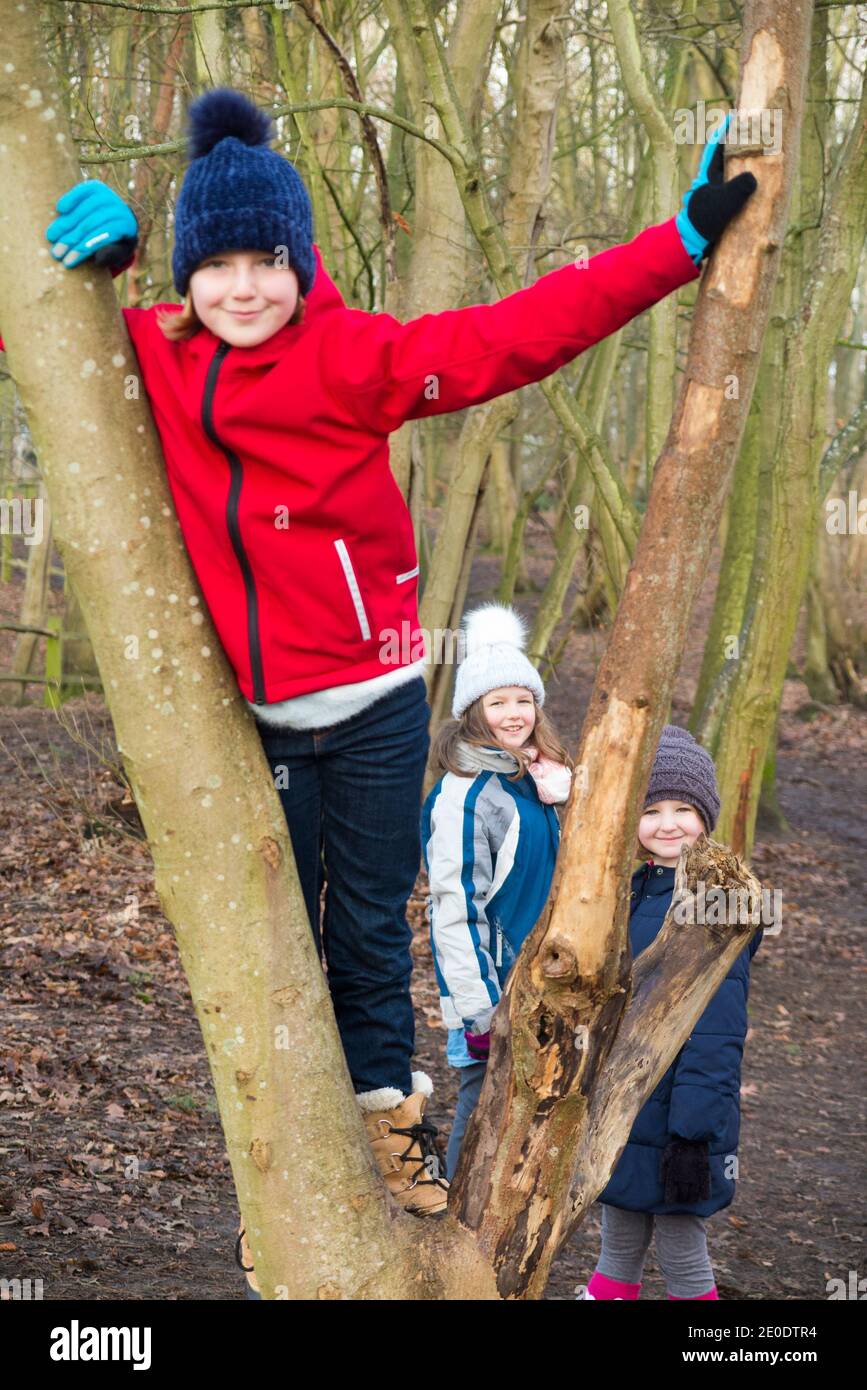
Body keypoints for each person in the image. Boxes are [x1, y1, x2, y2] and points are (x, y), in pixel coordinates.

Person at [37, 88, 756, 1295]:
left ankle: (387, 1118)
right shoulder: (154, 354)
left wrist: (678, 246)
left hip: (370, 705)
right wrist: (82, 265)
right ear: (185, 273)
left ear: (302, 264)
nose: (242, 287)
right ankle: (282, 1179)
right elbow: (27, 328)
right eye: (214, 265)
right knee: (272, 943)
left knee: (366, 927)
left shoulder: (357, 357)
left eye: (266, 260)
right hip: (246, 716)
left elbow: (520, 331)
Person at [580, 725, 763, 1301]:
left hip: (681, 1121)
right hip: (625, 1109)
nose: (667, 823)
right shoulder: (629, 891)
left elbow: (717, 1029)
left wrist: (693, 1135)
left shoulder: (715, 904)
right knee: (618, 1243)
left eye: (683, 808)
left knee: (683, 1254)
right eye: (652, 808)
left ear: (706, 815)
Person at [421, 604, 572, 1178]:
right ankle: (453, 1232)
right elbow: (455, 908)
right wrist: (481, 1011)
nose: (514, 713)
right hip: (495, 990)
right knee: (482, 1104)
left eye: (523, 699)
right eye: (498, 702)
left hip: (547, 981)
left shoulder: (537, 784)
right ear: (474, 713)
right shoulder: (466, 794)